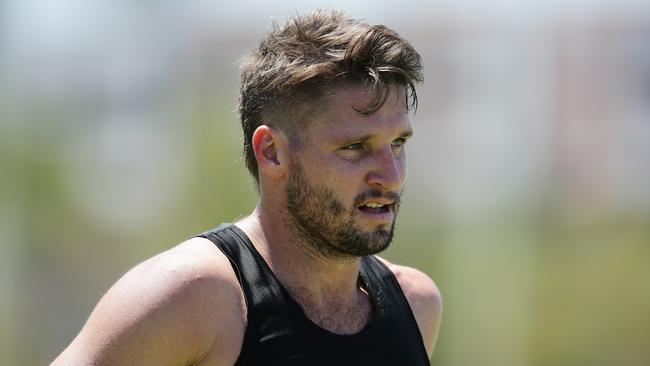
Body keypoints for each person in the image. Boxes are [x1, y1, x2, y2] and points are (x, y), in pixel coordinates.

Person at [52, 9, 442, 366]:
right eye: (355, 147)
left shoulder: (415, 304)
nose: (390, 175)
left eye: (398, 144)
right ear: (272, 153)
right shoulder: (191, 296)